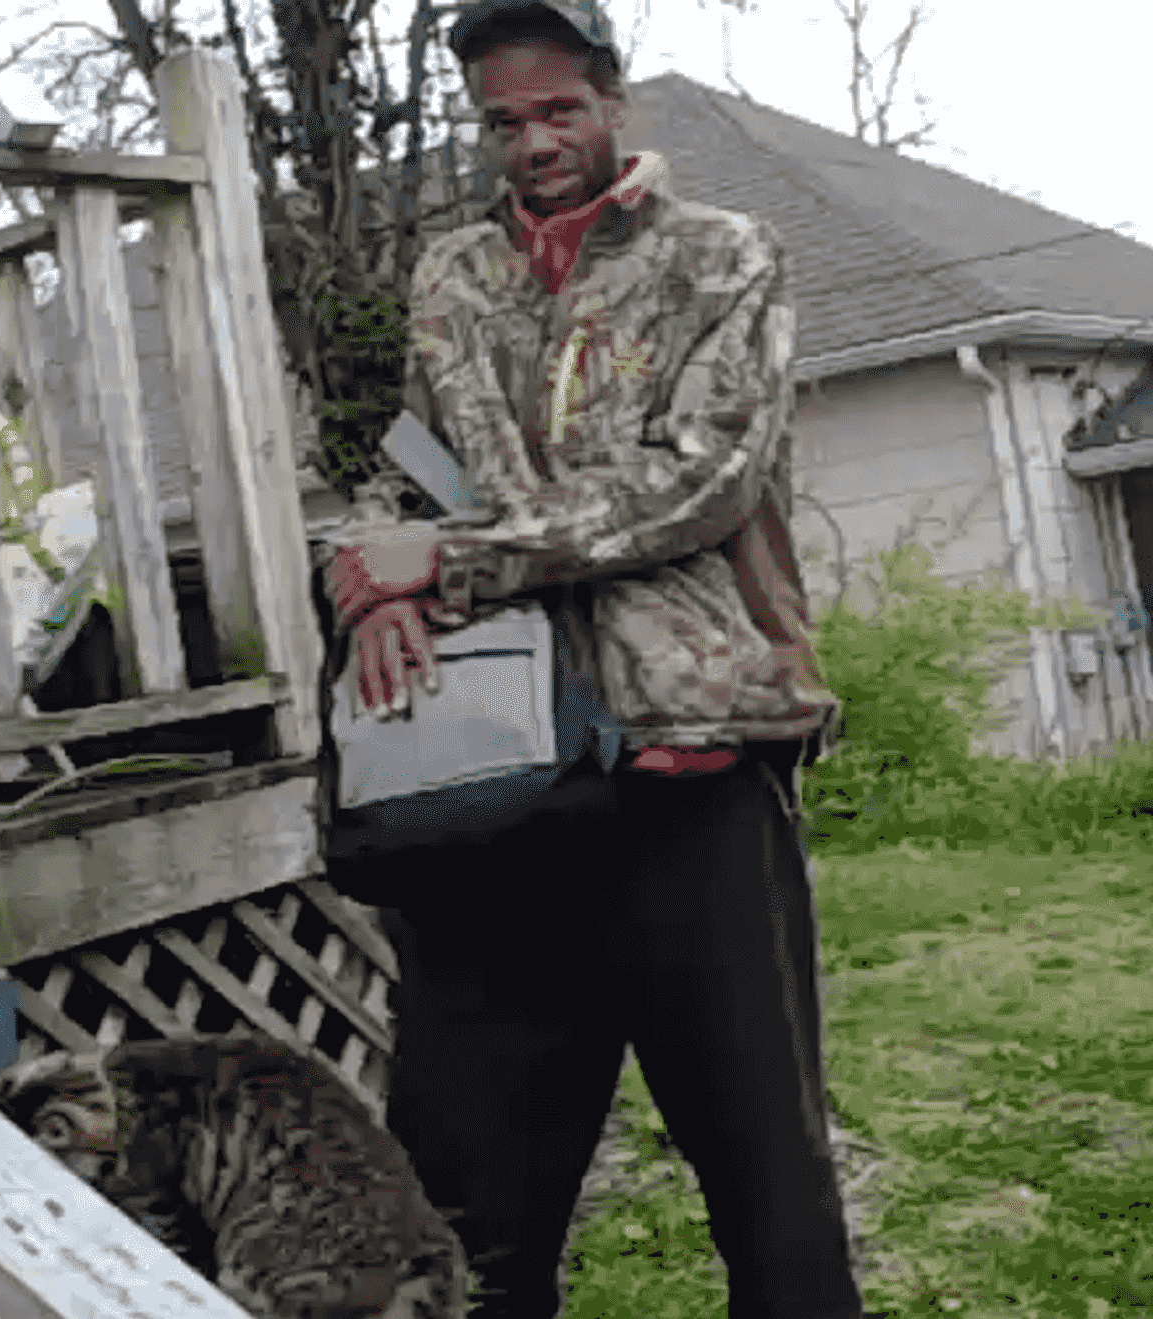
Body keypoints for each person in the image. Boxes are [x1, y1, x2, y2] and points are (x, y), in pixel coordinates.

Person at [319, 2, 868, 1316]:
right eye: (504, 121)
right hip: (487, 791)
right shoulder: (453, 276)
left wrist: (452, 566)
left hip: (688, 775)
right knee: (461, 1218)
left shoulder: (723, 259)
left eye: (558, 110)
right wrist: (369, 578)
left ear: (617, 103)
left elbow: (699, 481)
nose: (534, 143)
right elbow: (413, 467)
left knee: (771, 1197)